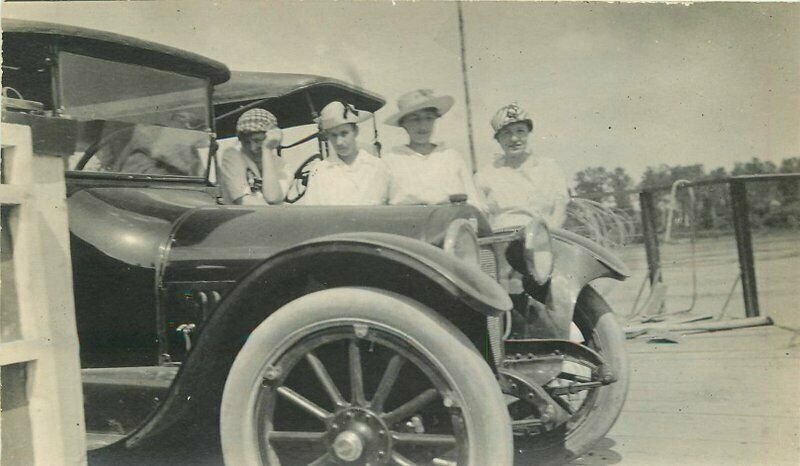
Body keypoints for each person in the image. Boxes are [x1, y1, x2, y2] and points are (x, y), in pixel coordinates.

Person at [382, 89, 486, 211]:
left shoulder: (451, 156)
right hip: (407, 223)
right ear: (403, 124)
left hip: (449, 221)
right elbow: (380, 205)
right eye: (415, 119)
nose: (423, 126)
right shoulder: (390, 160)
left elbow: (474, 201)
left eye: (429, 118)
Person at [474, 103, 569, 230]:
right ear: (498, 139)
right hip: (501, 242)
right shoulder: (485, 175)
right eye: (506, 133)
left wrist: (547, 237)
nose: (514, 138)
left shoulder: (549, 168)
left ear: (528, 133)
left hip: (543, 240)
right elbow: (481, 217)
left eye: (520, 131)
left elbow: (559, 211)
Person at [300, 101, 390, 206]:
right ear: (328, 136)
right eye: (334, 135)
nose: (339, 142)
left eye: (344, 133)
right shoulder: (320, 171)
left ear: (355, 131)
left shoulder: (377, 167)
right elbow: (313, 211)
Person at [219, 108, 286, 205]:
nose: (252, 148)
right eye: (246, 142)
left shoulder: (282, 165)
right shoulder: (232, 155)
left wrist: (266, 150)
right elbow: (246, 202)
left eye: (258, 140)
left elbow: (273, 197)